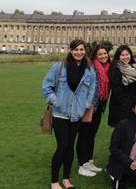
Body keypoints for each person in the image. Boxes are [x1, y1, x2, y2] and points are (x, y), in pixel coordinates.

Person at [42, 39, 96, 189]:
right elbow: (47, 86)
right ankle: (54, 181)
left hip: (76, 114)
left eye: (81, 49)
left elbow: (92, 90)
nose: (79, 52)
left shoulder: (89, 70)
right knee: (62, 146)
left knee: (70, 147)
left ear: (85, 51)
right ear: (71, 51)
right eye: (76, 49)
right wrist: (55, 100)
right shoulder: (59, 67)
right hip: (60, 113)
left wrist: (84, 106)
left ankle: (66, 179)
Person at [76, 44, 111, 177]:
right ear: (95, 56)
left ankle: (89, 161)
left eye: (105, 53)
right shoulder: (90, 67)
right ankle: (82, 164)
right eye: (100, 54)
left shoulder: (107, 68)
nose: (103, 56)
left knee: (91, 135)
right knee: (84, 135)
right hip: (88, 106)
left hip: (99, 106)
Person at [108, 45, 136, 127]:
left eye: (127, 54)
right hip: (121, 109)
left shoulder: (134, 68)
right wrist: (128, 108)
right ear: (118, 57)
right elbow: (117, 93)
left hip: (132, 106)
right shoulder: (116, 70)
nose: (125, 57)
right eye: (123, 55)